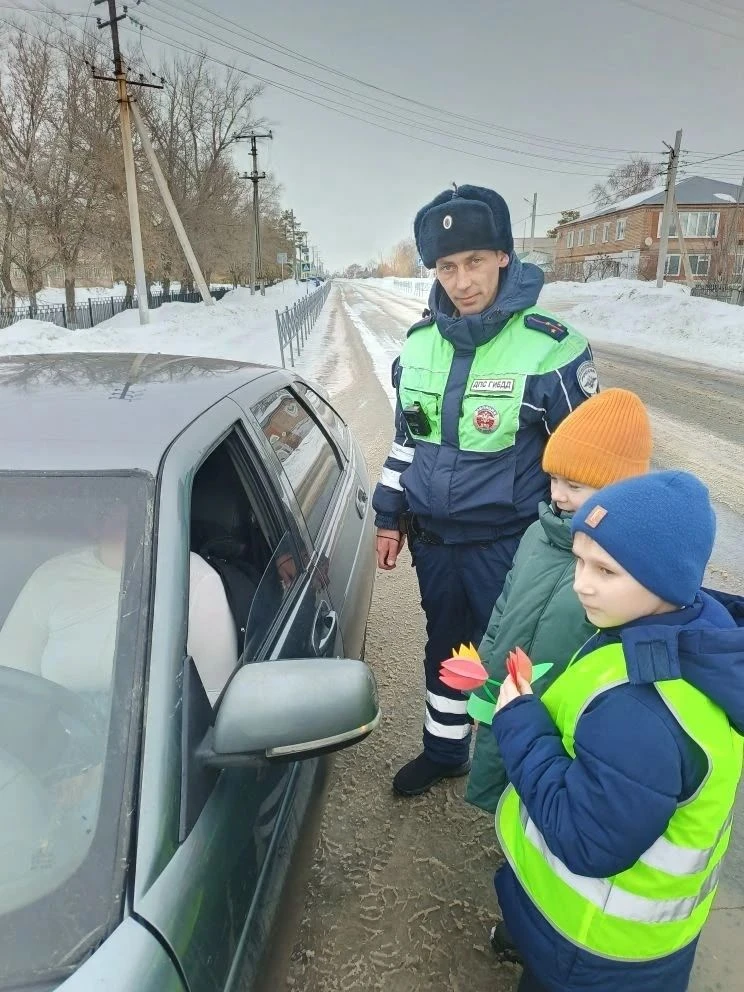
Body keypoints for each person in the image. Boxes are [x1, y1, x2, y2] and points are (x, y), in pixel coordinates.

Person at [372, 183, 598, 797]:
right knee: (450, 649)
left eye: (475, 261)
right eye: (447, 266)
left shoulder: (553, 348)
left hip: (514, 546)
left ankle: (524, 779)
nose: (462, 281)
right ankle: (444, 751)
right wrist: (389, 516)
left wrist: (583, 549)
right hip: (435, 543)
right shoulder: (418, 345)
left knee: (520, 662)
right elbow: (406, 442)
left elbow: (587, 466)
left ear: (503, 255)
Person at [491, 471, 744, 992]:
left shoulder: (643, 710)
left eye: (606, 570)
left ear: (665, 580)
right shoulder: (680, 631)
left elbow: (587, 840)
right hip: (627, 942)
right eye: (580, 560)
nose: (581, 583)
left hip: (592, 952)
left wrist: (518, 720)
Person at [465, 388, 652, 815]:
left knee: (550, 807)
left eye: (574, 485)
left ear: (617, 489)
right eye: (553, 479)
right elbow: (505, 605)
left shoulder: (626, 562)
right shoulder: (538, 534)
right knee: (503, 795)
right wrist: (487, 675)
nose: (558, 495)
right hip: (511, 692)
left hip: (567, 714)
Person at [0, 503, 238, 704]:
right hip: (56, 737)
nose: (127, 519)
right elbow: (11, 684)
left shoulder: (193, 580)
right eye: (107, 508)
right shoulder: (53, 576)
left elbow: (214, 701)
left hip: (151, 743)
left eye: (130, 507)